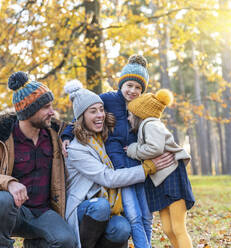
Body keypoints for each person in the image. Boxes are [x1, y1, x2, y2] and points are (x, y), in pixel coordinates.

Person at [62, 55, 174, 248]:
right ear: (121, 83)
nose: (133, 91)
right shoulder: (107, 100)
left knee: (143, 217)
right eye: (129, 85)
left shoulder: (141, 106)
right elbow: (82, 112)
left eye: (138, 87)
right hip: (120, 173)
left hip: (137, 165)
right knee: (133, 216)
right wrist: (66, 135)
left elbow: (154, 125)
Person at [0, 71, 77, 248]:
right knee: (3, 199)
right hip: (13, 213)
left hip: (44, 212)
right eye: (46, 107)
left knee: (66, 241)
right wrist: (8, 183)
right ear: (29, 111)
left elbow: (85, 126)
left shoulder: (57, 134)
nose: (52, 112)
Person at [126, 89, 195, 248]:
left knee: (178, 228)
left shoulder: (151, 124)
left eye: (130, 114)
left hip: (172, 178)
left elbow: (155, 148)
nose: (129, 118)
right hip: (161, 181)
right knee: (168, 228)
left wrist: (133, 149)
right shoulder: (147, 125)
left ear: (139, 115)